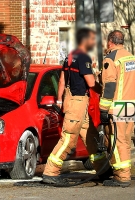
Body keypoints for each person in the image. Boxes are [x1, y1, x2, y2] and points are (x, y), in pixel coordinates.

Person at [42, 28, 109, 185]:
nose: (94, 42)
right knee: (69, 138)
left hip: (72, 100)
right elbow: (91, 83)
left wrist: (59, 100)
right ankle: (50, 171)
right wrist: (105, 91)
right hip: (78, 101)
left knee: (90, 134)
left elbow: (62, 81)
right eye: (92, 39)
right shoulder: (83, 57)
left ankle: (103, 169)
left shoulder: (69, 56)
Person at [99, 30, 135, 187]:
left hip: (117, 106)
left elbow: (109, 86)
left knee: (117, 140)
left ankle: (122, 176)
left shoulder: (111, 58)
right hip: (131, 105)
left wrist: (103, 109)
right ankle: (125, 172)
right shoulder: (131, 57)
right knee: (126, 141)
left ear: (110, 42)